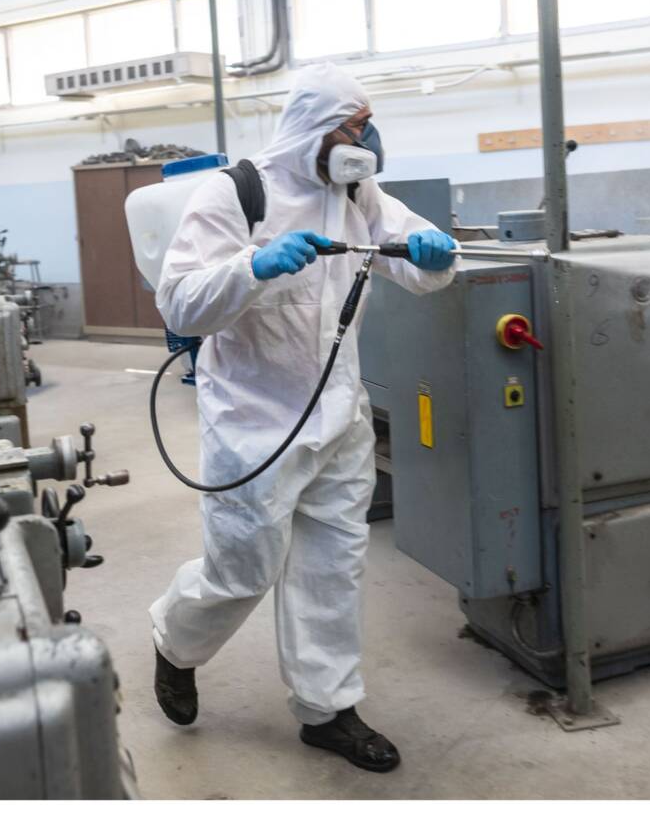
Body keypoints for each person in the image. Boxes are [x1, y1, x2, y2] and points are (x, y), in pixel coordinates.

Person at [149, 63, 457, 773]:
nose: (368, 140)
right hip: (252, 421)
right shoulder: (234, 193)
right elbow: (180, 305)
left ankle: (326, 709)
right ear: (315, 128)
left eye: (368, 124)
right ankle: (175, 642)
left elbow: (419, 263)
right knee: (241, 571)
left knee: (331, 569)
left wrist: (434, 253)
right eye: (356, 126)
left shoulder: (357, 193)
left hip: (338, 418)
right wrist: (253, 268)